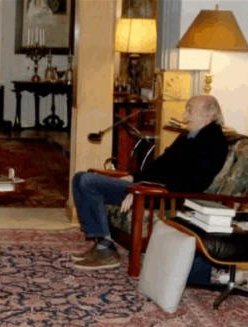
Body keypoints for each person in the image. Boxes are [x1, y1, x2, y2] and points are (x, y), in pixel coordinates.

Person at [71, 95, 229, 270]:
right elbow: (159, 165)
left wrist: (143, 187)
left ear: (208, 115)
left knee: (87, 181)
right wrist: (134, 177)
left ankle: (105, 250)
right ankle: (102, 244)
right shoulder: (188, 136)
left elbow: (192, 183)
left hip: (165, 196)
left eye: (190, 110)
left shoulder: (214, 142)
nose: (184, 116)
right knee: (80, 178)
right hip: (148, 189)